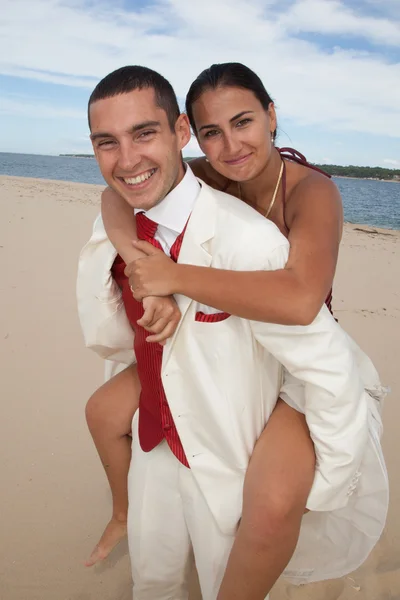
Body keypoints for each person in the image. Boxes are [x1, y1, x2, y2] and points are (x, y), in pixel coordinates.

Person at [77, 65, 388, 600]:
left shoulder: (311, 192)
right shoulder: (203, 172)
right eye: (211, 132)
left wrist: (171, 279)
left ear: (271, 115)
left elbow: (299, 299)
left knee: (269, 504)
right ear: (190, 135)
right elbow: (119, 195)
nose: (230, 144)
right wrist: (141, 269)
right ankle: (127, 514)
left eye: (243, 122)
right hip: (230, 341)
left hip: (295, 342)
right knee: (105, 410)